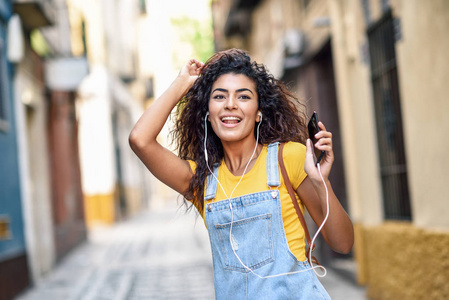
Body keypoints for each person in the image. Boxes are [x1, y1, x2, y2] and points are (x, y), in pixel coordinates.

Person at [129, 49, 354, 299]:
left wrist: (321, 183)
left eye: (243, 96)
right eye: (219, 96)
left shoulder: (289, 158)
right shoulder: (202, 182)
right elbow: (140, 140)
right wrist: (182, 83)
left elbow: (343, 244)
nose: (230, 104)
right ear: (208, 113)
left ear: (259, 112)